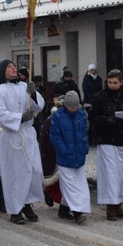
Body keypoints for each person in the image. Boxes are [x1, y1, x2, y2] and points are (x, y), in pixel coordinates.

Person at [0, 58, 45, 224]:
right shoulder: (1, 91)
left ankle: (27, 203)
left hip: (28, 135)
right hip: (13, 136)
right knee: (17, 174)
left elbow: (39, 106)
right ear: (3, 72)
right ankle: (15, 209)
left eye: (14, 66)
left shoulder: (24, 86)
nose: (13, 69)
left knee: (33, 171)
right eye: (9, 67)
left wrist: (34, 93)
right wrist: (19, 117)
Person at [90, 69, 123, 221]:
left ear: (121, 82)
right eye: (110, 82)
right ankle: (110, 205)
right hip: (106, 139)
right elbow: (93, 117)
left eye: (115, 83)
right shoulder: (99, 97)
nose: (112, 85)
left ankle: (118, 203)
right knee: (110, 174)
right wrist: (107, 120)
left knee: (122, 174)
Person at [48, 91, 90, 224]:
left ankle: (64, 208)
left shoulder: (81, 115)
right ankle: (78, 212)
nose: (73, 109)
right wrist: (64, 150)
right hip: (65, 157)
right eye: (71, 106)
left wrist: (85, 147)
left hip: (78, 156)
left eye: (75, 106)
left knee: (80, 184)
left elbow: (84, 134)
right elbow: (55, 136)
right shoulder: (58, 116)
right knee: (70, 185)